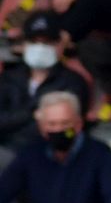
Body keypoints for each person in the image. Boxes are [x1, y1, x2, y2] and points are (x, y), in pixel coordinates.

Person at [0, 13, 91, 169]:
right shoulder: (8, 78)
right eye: (34, 42)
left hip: (48, 156)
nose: (40, 48)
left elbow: (65, 129)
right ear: (23, 45)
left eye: (48, 42)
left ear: (60, 45)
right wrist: (31, 112)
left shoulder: (72, 82)